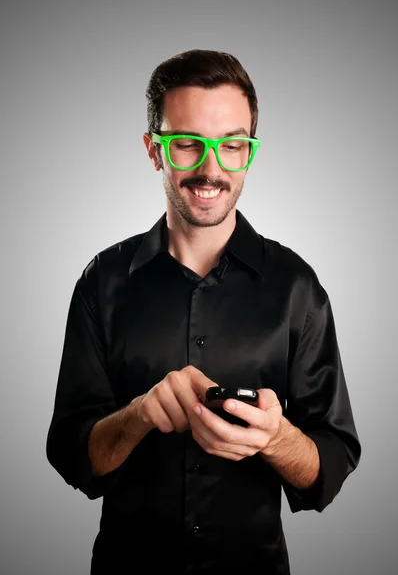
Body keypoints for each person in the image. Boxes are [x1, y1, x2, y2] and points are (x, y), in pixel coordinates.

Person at [46, 49, 361, 575]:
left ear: (249, 152)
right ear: (154, 150)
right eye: (188, 143)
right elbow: (74, 455)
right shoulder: (101, 281)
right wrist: (139, 415)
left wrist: (275, 438)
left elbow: (331, 462)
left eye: (232, 145)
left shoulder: (296, 287)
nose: (211, 168)